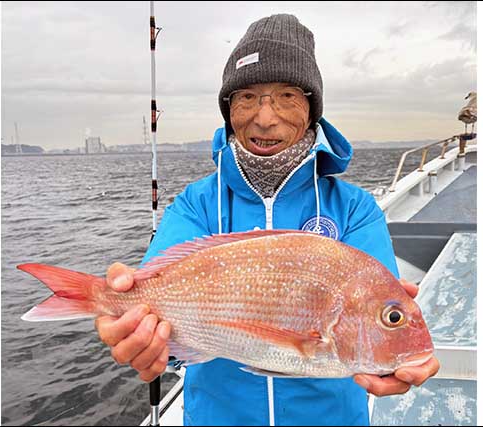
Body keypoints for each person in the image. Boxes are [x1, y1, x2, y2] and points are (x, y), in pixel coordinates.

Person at [95, 13, 439, 426]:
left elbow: (372, 311)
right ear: (228, 110)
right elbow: (158, 305)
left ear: (312, 110)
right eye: (246, 97)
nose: (264, 117)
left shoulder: (355, 209)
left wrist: (394, 356)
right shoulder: (195, 205)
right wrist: (139, 335)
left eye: (287, 96)